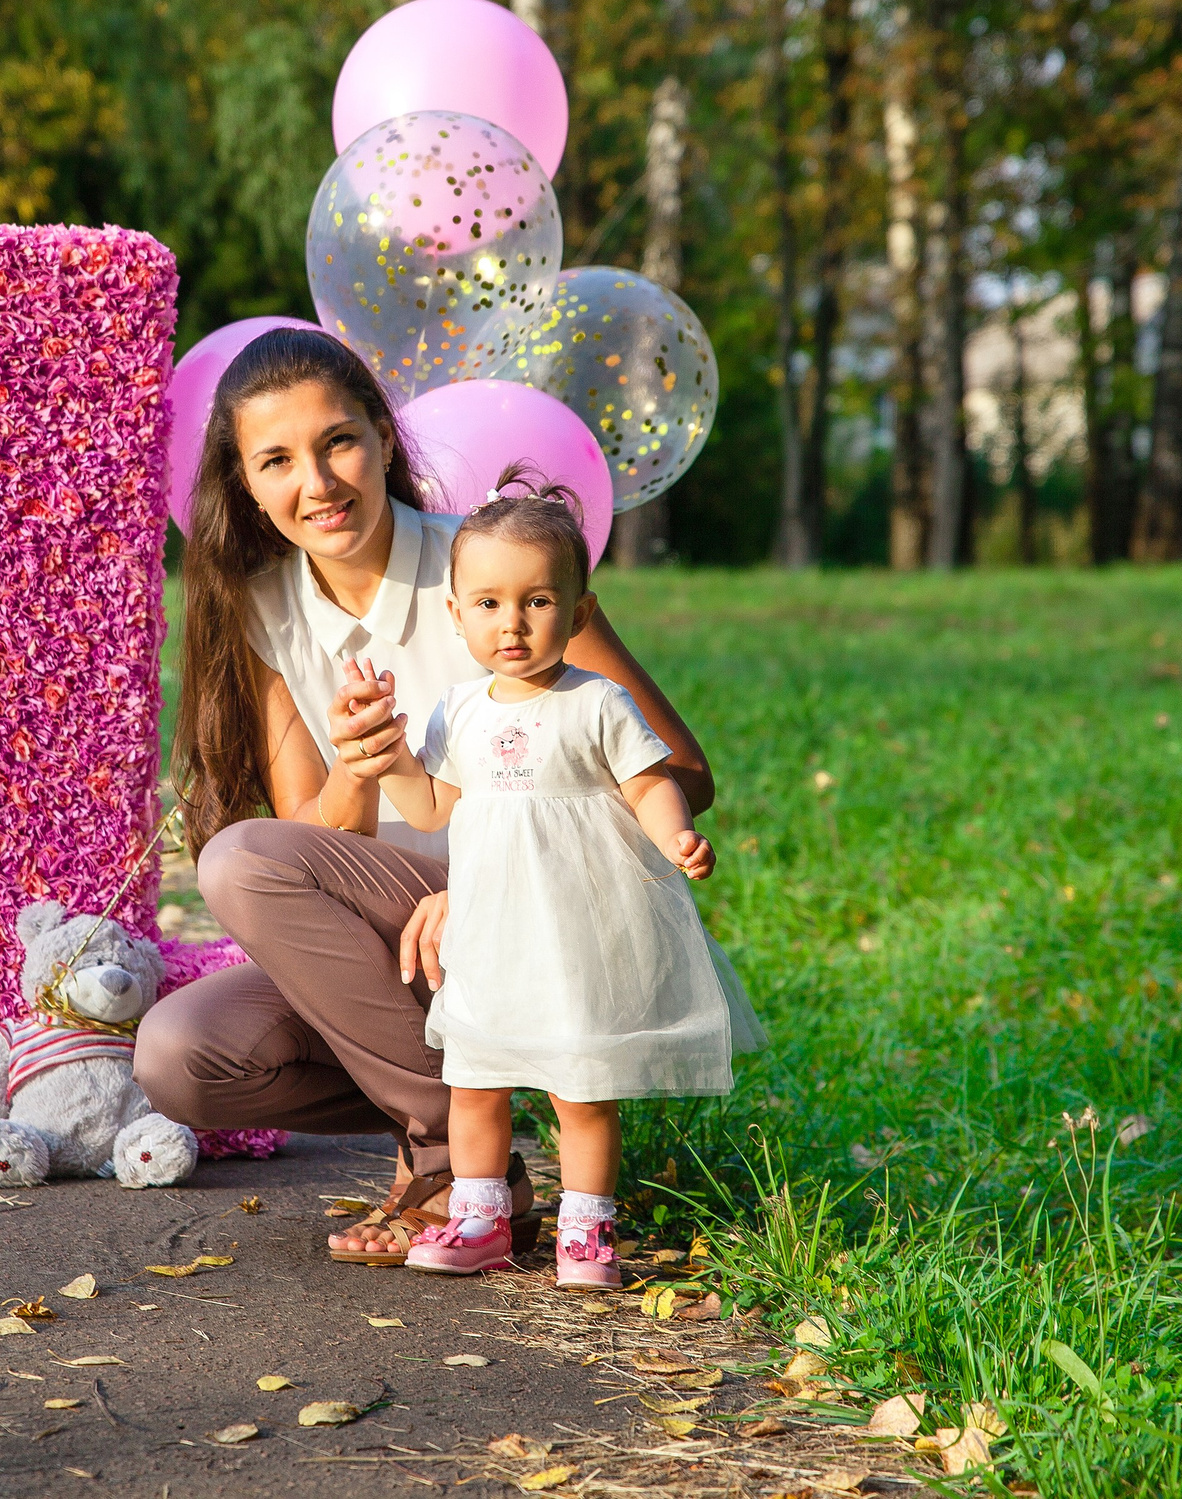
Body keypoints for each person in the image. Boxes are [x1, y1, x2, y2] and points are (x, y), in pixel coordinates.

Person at [134, 327, 715, 1263]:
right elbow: (307, 843)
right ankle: (462, 1119)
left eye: (338, 442)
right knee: (182, 1053)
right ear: (244, 483)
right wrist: (358, 770)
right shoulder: (264, 606)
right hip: (398, 957)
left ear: (385, 438)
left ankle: (451, 1161)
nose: (316, 483)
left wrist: (481, 880)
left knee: (236, 855)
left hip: (546, 918)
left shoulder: (498, 565)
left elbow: (681, 775)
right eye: (276, 460)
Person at [361, 477, 764, 1287]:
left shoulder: (597, 701)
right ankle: (481, 1219)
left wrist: (675, 832)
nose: (511, 622)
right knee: (474, 1080)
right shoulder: (460, 711)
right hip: (492, 930)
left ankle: (586, 1229)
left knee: (582, 1088)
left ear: (579, 614)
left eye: (538, 601)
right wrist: (395, 754)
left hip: (579, 929)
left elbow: (648, 782)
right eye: (488, 603)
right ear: (457, 614)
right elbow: (434, 806)